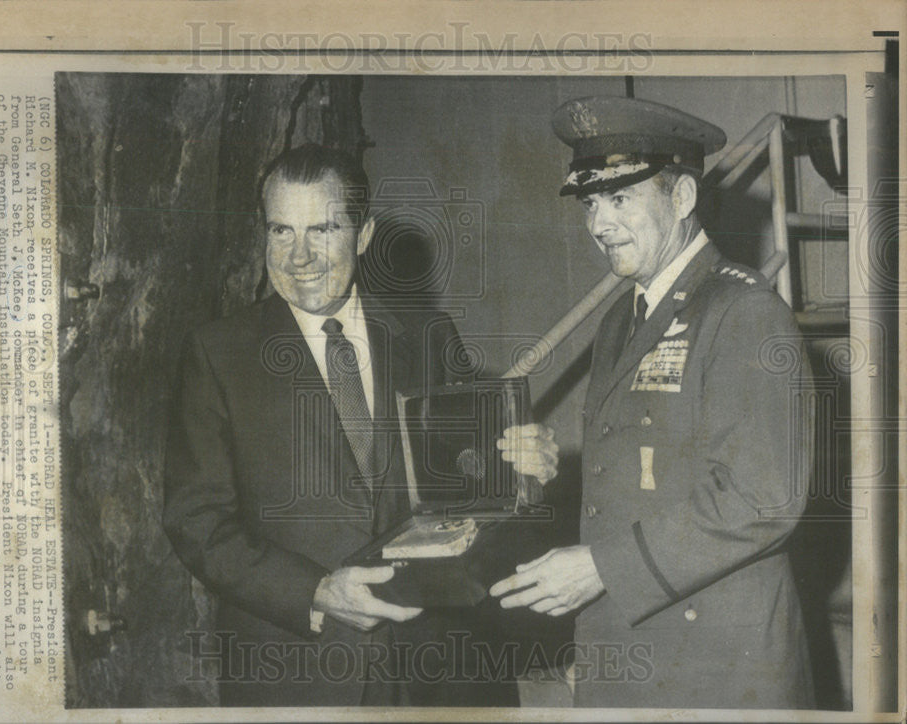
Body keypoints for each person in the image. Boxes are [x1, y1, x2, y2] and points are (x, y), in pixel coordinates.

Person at [163, 143, 559, 706]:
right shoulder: (216, 354)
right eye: (281, 231)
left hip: (440, 667)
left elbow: (474, 491)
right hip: (299, 670)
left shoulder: (430, 336)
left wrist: (524, 469)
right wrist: (317, 592)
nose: (299, 256)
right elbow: (195, 520)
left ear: (364, 235)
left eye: (322, 229)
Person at [490, 96, 814, 709]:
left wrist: (602, 569)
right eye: (590, 202)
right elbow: (641, 476)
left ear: (683, 199)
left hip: (717, 663)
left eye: (620, 198)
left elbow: (763, 497)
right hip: (633, 642)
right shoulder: (622, 317)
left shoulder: (745, 311)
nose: (598, 223)